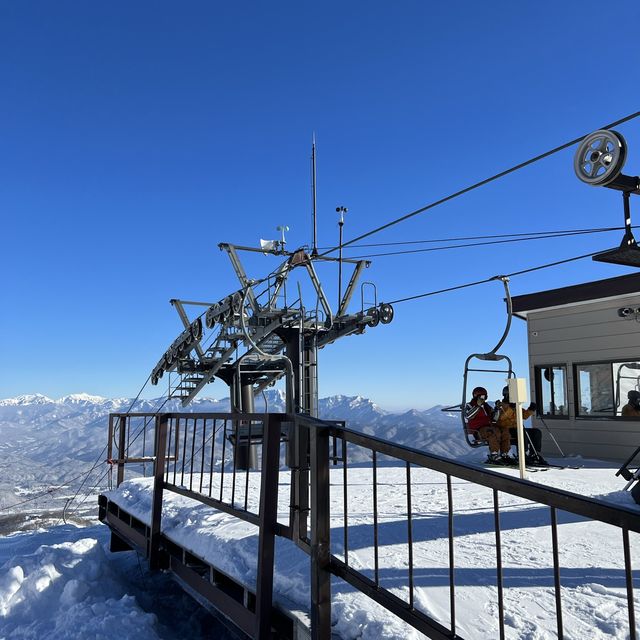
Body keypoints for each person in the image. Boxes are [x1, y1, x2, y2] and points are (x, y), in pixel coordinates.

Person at [494, 386, 546, 465]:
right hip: (506, 430)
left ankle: (534, 453)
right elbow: (501, 418)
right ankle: (522, 455)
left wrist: (531, 409)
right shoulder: (501, 405)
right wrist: (511, 408)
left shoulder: (515, 405)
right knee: (522, 432)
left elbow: (524, 415)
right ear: (507, 395)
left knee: (536, 432)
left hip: (516, 429)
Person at [464, 386, 512, 465]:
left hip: (490, 427)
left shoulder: (486, 406)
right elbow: (469, 416)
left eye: (485, 396)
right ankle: (494, 454)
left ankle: (504, 454)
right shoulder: (470, 405)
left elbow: (494, 418)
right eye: (481, 397)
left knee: (505, 431)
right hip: (479, 431)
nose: (483, 399)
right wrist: (478, 406)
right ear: (476, 396)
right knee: (492, 432)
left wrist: (497, 409)